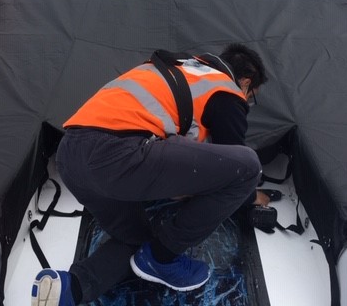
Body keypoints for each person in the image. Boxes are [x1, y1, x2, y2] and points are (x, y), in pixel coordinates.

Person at [32, 44, 269, 306]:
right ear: (245, 82)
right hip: (118, 154)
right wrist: (252, 197)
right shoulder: (226, 91)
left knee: (137, 240)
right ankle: (162, 257)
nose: (246, 101)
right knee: (249, 166)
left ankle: (69, 288)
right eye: (251, 97)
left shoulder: (180, 68)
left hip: (71, 156)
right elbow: (233, 165)